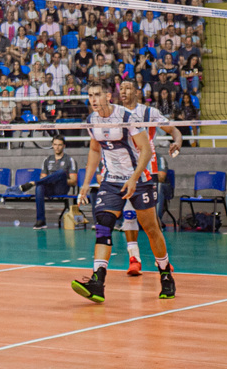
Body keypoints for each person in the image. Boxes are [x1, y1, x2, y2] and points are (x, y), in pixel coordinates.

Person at [71, 81, 175, 304]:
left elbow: (146, 151)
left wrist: (134, 178)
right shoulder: (91, 120)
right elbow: (94, 150)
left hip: (139, 178)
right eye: (90, 95)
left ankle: (166, 274)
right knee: (103, 225)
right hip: (111, 180)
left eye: (97, 95)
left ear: (108, 96)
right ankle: (97, 282)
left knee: (151, 229)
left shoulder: (127, 117)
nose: (93, 99)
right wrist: (86, 183)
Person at [115, 79, 182, 276]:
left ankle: (162, 259)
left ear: (137, 92)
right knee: (129, 214)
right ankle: (134, 259)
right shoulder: (115, 113)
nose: (124, 91)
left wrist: (177, 141)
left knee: (151, 220)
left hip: (146, 168)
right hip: (124, 168)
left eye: (128, 88)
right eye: (121, 88)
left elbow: (173, 129)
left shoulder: (149, 112)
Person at [18, 135, 77, 229]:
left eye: (59, 145)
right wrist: (51, 180)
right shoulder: (47, 160)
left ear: (64, 146)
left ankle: (33, 183)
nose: (57, 147)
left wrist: (58, 178)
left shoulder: (69, 160)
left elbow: (73, 181)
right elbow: (43, 178)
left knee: (61, 173)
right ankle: (41, 221)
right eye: (55, 144)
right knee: (39, 187)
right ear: (52, 145)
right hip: (50, 187)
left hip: (61, 188)